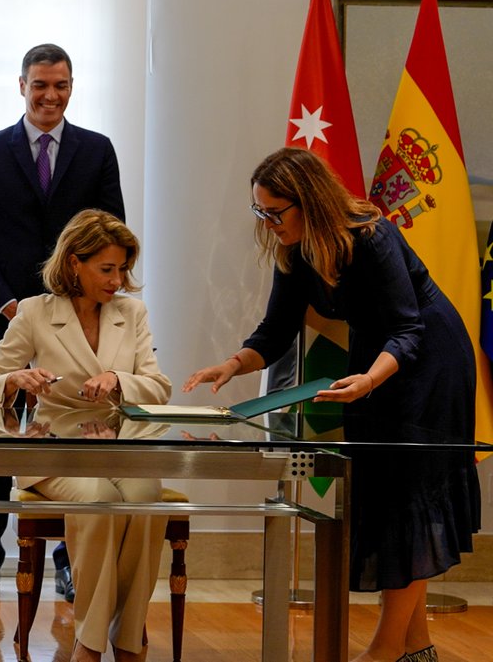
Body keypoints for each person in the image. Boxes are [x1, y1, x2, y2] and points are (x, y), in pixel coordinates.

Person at [183, 147, 481, 662]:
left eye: (275, 212)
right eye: (260, 212)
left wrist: (369, 380)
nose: (268, 223)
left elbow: (407, 328)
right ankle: (417, 647)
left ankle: (386, 649)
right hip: (372, 366)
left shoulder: (371, 236)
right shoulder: (294, 248)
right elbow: (276, 331)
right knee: (386, 494)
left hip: (426, 361)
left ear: (310, 202)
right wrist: (233, 363)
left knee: (408, 496)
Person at [0, 42, 126, 603]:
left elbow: (111, 233)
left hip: (79, 324)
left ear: (71, 86)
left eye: (60, 85)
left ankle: (70, 561)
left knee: (76, 437)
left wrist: (78, 303)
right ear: (22, 85)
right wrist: (11, 308)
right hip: (5, 320)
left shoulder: (96, 151)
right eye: (40, 85)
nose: (50, 95)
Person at [0, 209, 170, 662]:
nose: (117, 279)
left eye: (122, 268)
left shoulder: (132, 313)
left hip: (120, 446)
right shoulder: (34, 312)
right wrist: (14, 381)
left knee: (144, 497)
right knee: (99, 500)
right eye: (107, 269)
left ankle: (125, 638)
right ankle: (90, 643)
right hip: (53, 448)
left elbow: (159, 387)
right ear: (73, 263)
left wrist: (118, 378)